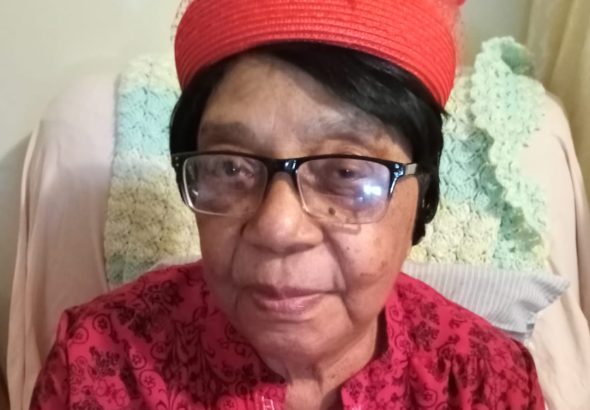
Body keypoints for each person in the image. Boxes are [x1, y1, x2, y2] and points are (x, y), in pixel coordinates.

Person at [30, 0, 545, 408]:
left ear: (422, 197)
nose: (276, 227)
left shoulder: (486, 384)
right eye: (231, 168)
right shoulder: (97, 368)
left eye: (345, 172)